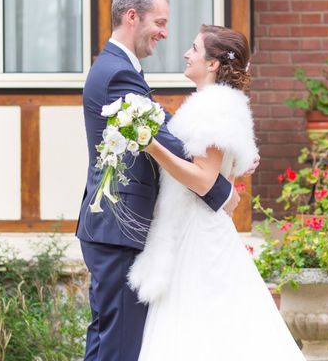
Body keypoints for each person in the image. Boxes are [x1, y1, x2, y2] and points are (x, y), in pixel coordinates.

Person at [76, 0, 245, 361]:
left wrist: (229, 153)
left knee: (108, 339)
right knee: (117, 346)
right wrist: (220, 188)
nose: (166, 34)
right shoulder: (118, 73)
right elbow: (164, 140)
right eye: (160, 22)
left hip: (115, 228)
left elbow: (164, 133)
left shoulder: (118, 68)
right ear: (132, 17)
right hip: (119, 229)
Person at [128, 24, 306, 360]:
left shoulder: (213, 108)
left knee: (203, 326)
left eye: (194, 49)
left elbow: (204, 180)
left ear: (212, 64)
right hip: (191, 226)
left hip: (198, 234)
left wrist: (150, 146)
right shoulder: (212, 104)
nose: (186, 53)